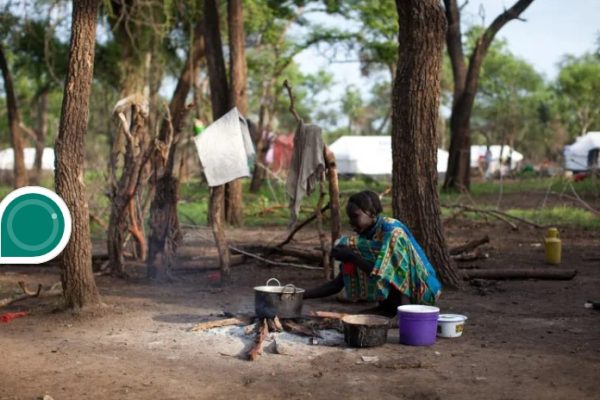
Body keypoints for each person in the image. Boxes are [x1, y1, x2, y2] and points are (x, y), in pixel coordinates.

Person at [304, 190, 442, 316]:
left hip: (423, 292)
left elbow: (391, 274)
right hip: (398, 297)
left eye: (355, 216)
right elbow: (337, 284)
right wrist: (300, 294)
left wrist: (352, 257)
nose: (351, 222)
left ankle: (404, 315)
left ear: (372, 213)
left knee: (390, 267)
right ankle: (388, 308)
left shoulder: (393, 231)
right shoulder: (364, 239)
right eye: (350, 217)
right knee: (350, 247)